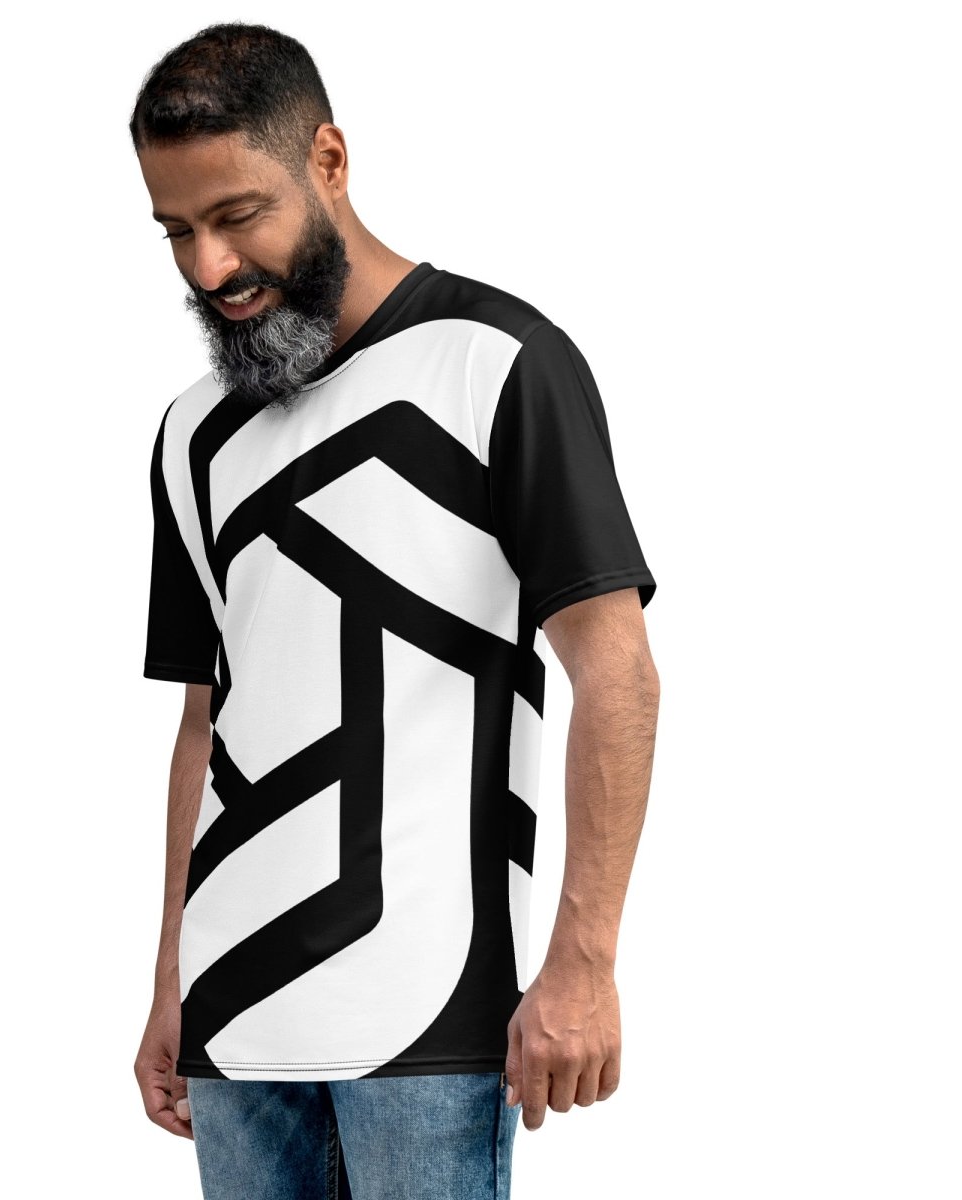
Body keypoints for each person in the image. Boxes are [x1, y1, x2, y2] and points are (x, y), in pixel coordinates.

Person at [128, 21, 661, 1200]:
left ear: (328, 159)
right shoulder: (191, 433)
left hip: (429, 1026)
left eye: (238, 215)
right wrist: (172, 981)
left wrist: (584, 961)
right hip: (234, 1030)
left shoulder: (497, 361)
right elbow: (204, 721)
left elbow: (616, 669)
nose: (210, 267)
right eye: (177, 230)